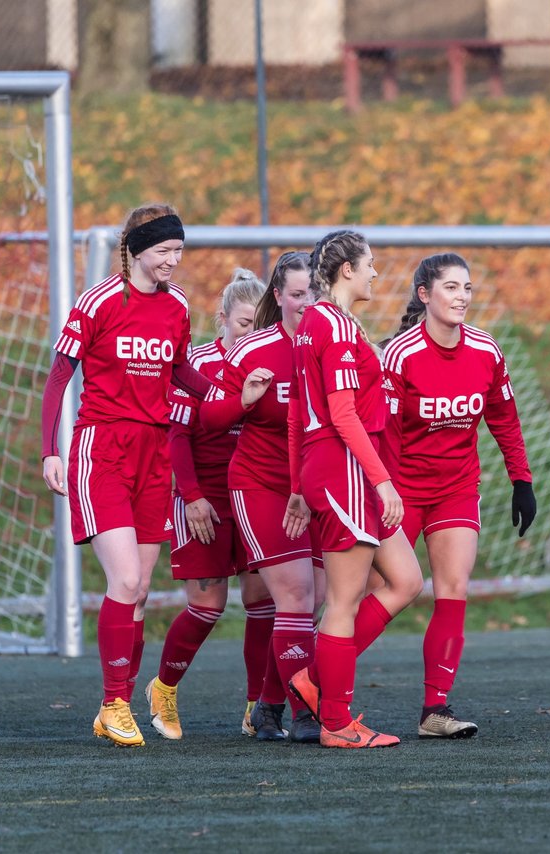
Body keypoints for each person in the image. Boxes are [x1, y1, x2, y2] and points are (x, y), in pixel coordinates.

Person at [40, 204, 271, 747]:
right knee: (124, 581)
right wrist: (51, 451)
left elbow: (180, 372)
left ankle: (116, 705)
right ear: (137, 249)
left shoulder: (178, 305)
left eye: (178, 252)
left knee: (140, 590)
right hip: (103, 449)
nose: (173, 261)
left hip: (153, 452)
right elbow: (58, 376)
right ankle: (114, 702)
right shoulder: (98, 301)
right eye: (165, 251)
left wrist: (233, 393)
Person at [380, 253, 536, 739]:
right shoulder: (400, 354)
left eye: (467, 288)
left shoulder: (487, 351)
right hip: (400, 490)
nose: (462, 297)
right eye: (451, 288)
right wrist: (380, 490)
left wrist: (521, 481)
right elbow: (380, 432)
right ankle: (315, 684)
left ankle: (435, 711)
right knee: (378, 593)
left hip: (455, 490)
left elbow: (504, 419)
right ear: (425, 295)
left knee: (453, 590)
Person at [284, 230, 424, 749]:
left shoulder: (314, 324)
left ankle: (314, 682)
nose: (375, 273)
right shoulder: (335, 325)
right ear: (346, 270)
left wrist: (300, 484)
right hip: (346, 469)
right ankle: (337, 722)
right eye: (370, 264)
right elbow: (339, 414)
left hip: (336, 467)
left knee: (407, 580)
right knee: (343, 601)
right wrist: (383, 480)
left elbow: (300, 411)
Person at [199, 251, 323, 744]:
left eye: (313, 293)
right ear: (278, 296)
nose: (306, 303)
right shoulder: (253, 350)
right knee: (294, 596)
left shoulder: (336, 342)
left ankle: (269, 705)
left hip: (313, 489)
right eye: (296, 294)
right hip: (260, 485)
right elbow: (208, 420)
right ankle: (305, 711)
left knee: (318, 601)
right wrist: (244, 401)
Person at [144, 268, 272, 742]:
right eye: (243, 324)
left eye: (260, 325)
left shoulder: (272, 363)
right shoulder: (195, 364)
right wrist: (192, 497)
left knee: (264, 601)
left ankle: (257, 707)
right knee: (209, 605)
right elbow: (176, 436)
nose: (252, 334)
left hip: (255, 493)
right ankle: (163, 688)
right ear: (221, 319)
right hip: (204, 497)